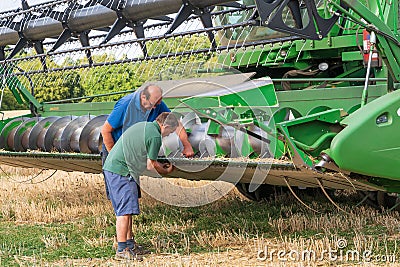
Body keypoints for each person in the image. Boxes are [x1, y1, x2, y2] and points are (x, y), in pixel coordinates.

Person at [103, 112, 178, 260]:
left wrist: (159, 164)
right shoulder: (155, 136)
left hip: (114, 168)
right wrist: (166, 171)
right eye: (170, 132)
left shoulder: (145, 126)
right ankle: (121, 250)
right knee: (124, 212)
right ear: (166, 126)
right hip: (122, 172)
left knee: (128, 210)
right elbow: (151, 165)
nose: (169, 135)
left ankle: (130, 245)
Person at [101, 84, 194, 158]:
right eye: (153, 104)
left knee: (131, 180)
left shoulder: (157, 104)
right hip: (115, 146)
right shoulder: (125, 105)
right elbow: (105, 130)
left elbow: (175, 123)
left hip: (133, 151)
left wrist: (187, 146)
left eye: (158, 104)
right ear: (143, 97)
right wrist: (113, 156)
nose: (155, 108)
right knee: (115, 179)